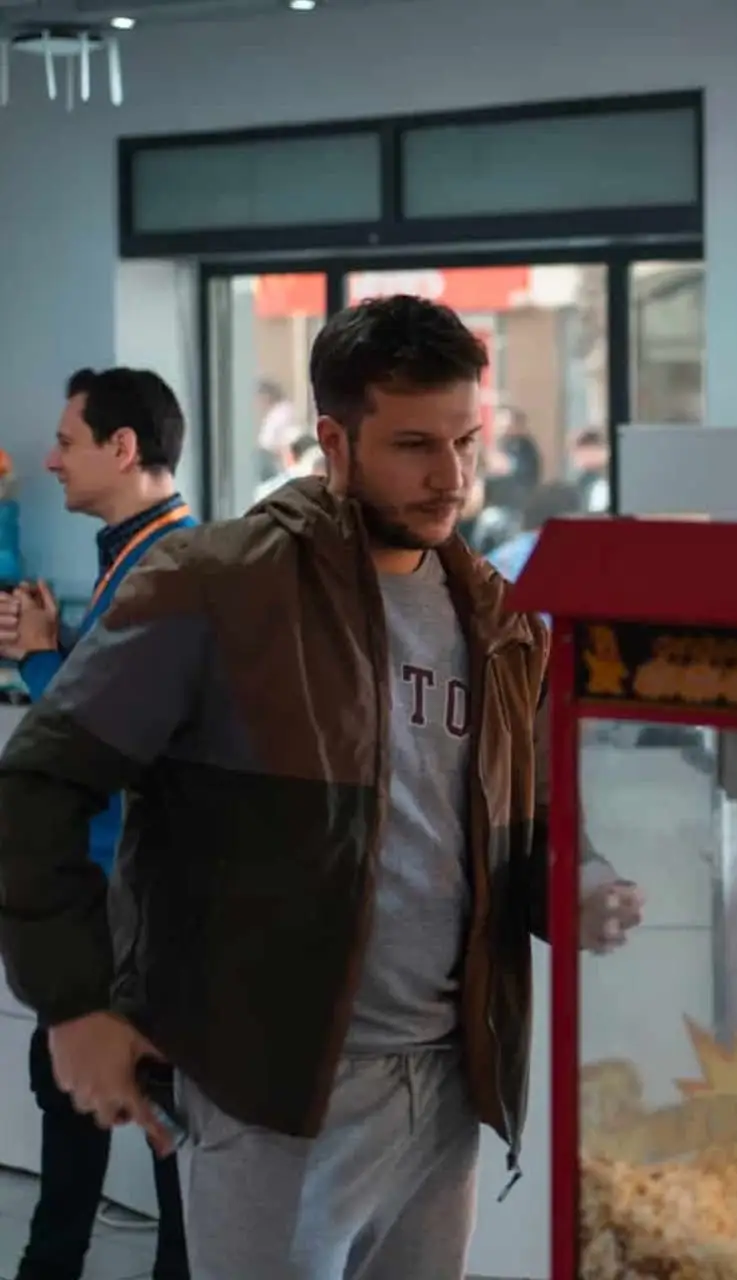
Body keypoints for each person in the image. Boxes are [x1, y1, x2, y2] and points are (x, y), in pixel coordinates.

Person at [0, 295, 643, 1279]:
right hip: (275, 1089)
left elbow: (528, 813)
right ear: (333, 441)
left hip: (448, 1080)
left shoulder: (501, 620)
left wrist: (580, 881)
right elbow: (38, 784)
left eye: (466, 440)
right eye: (414, 445)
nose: (452, 477)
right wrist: (75, 1004)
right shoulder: (214, 586)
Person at [0, 368, 191, 1280]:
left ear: (123, 449)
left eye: (68, 442)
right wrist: (56, 651)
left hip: (136, 914)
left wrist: (43, 668)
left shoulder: (167, 572)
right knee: (75, 1122)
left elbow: (116, 752)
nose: (49, 459)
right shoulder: (143, 557)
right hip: (105, 902)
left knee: (165, 1150)